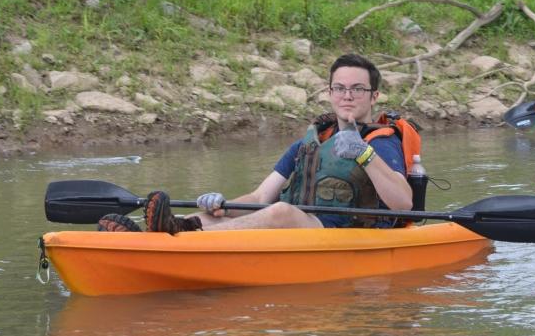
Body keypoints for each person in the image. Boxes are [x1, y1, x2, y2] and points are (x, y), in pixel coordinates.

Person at [98, 53, 415, 234]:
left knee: (282, 213)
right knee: (220, 216)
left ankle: (177, 234)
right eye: (340, 88)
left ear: (374, 96)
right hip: (297, 226)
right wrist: (223, 204)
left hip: (342, 236)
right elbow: (260, 195)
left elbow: (403, 203)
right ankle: (169, 230)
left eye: (358, 89)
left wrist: (364, 154)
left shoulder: (380, 142)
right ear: (330, 92)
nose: (347, 95)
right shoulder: (311, 141)